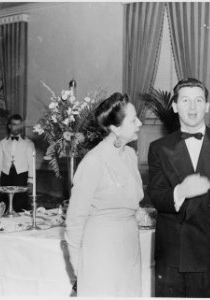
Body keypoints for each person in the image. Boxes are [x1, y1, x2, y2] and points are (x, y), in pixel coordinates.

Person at [147, 78, 210, 297]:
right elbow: (157, 196)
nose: (193, 107)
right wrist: (181, 192)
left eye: (199, 100)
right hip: (173, 256)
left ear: (207, 105)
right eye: (185, 100)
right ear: (175, 106)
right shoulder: (159, 148)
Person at [65, 92, 143, 297]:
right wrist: (80, 271)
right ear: (115, 128)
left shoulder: (130, 156)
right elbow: (74, 222)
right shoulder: (93, 162)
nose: (140, 123)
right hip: (101, 253)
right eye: (134, 120)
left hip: (129, 248)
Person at [0, 114, 34, 211]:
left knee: (19, 203)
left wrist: (30, 181)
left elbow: (31, 163)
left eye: (19, 125)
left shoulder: (28, 143)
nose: (17, 127)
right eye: (14, 124)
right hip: (6, 175)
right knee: (4, 203)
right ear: (9, 126)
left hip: (21, 176)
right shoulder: (2, 143)